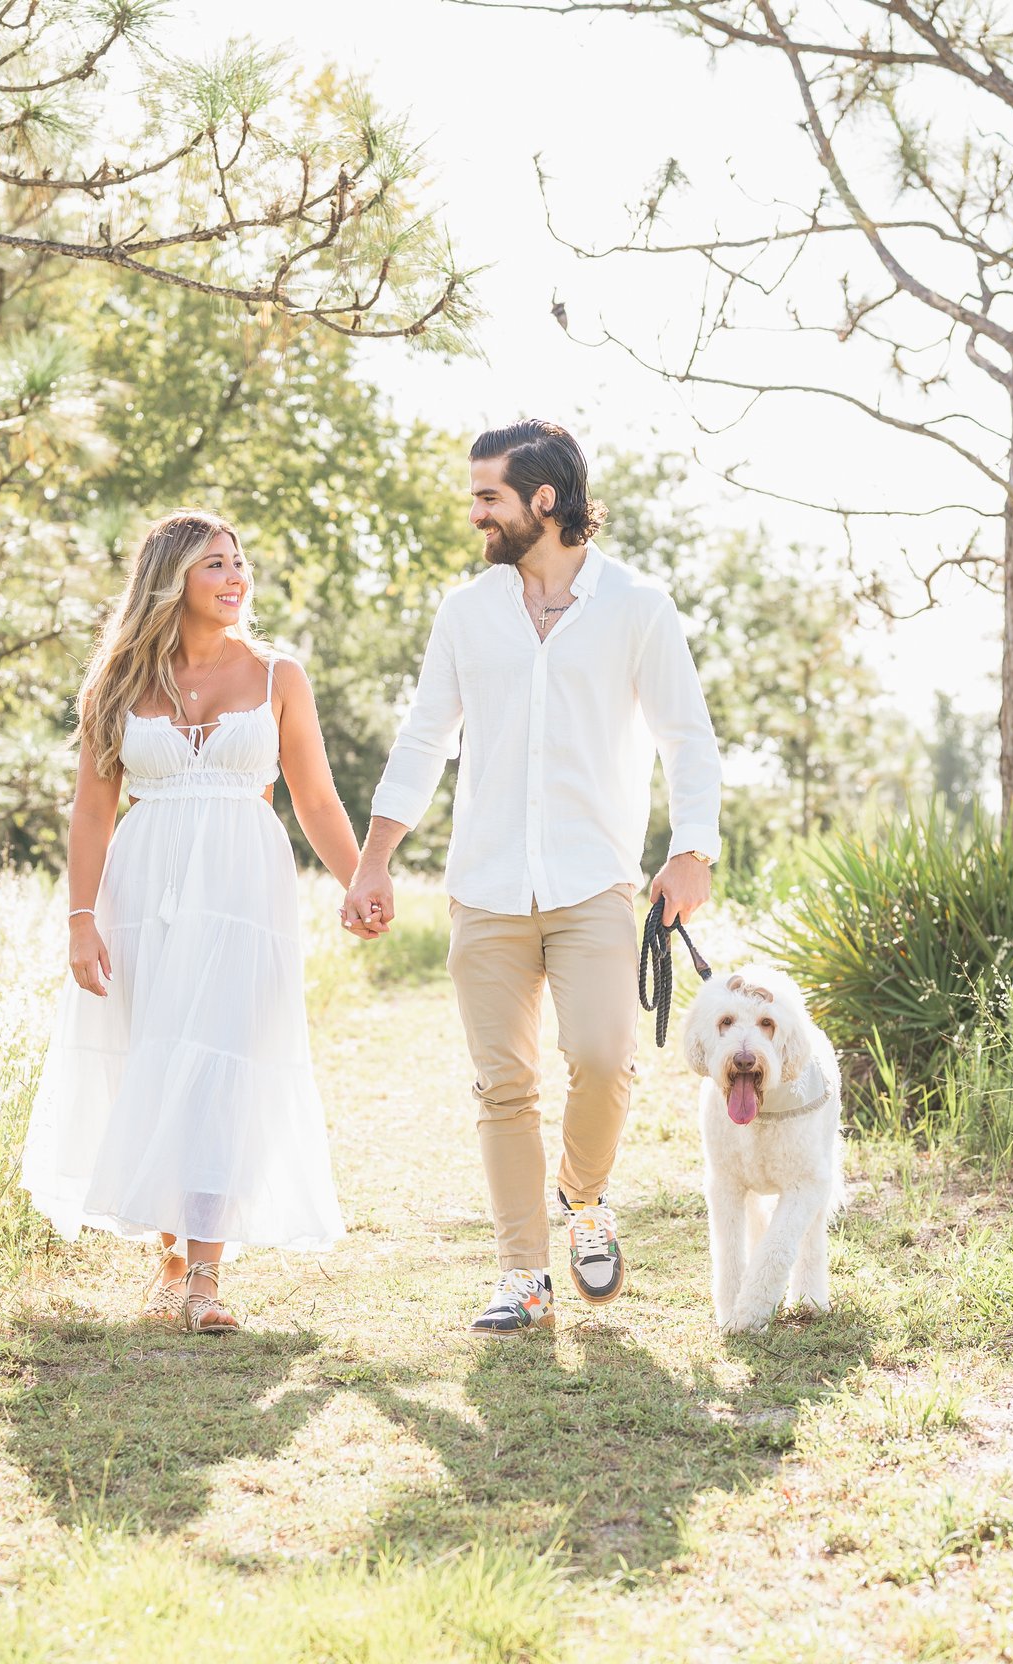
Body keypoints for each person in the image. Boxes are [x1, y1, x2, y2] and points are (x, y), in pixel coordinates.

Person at [342, 420, 721, 1335]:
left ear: (543, 501)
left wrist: (692, 850)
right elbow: (426, 737)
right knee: (503, 1087)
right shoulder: (466, 611)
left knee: (602, 1057)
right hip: (485, 887)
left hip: (595, 881)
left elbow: (687, 736)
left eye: (488, 497)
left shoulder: (637, 605)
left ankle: (584, 1200)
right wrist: (375, 857)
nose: (475, 513)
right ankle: (522, 1273)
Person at [23, 509, 360, 1334]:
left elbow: (314, 797)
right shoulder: (117, 685)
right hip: (144, 890)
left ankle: (206, 1277)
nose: (236, 576)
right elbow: (93, 810)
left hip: (245, 889)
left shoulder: (280, 676)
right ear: (172, 579)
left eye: (239, 561)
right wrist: (79, 920)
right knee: (161, 1056)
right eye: (215, 564)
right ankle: (172, 1254)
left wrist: (361, 880)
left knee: (224, 1063)